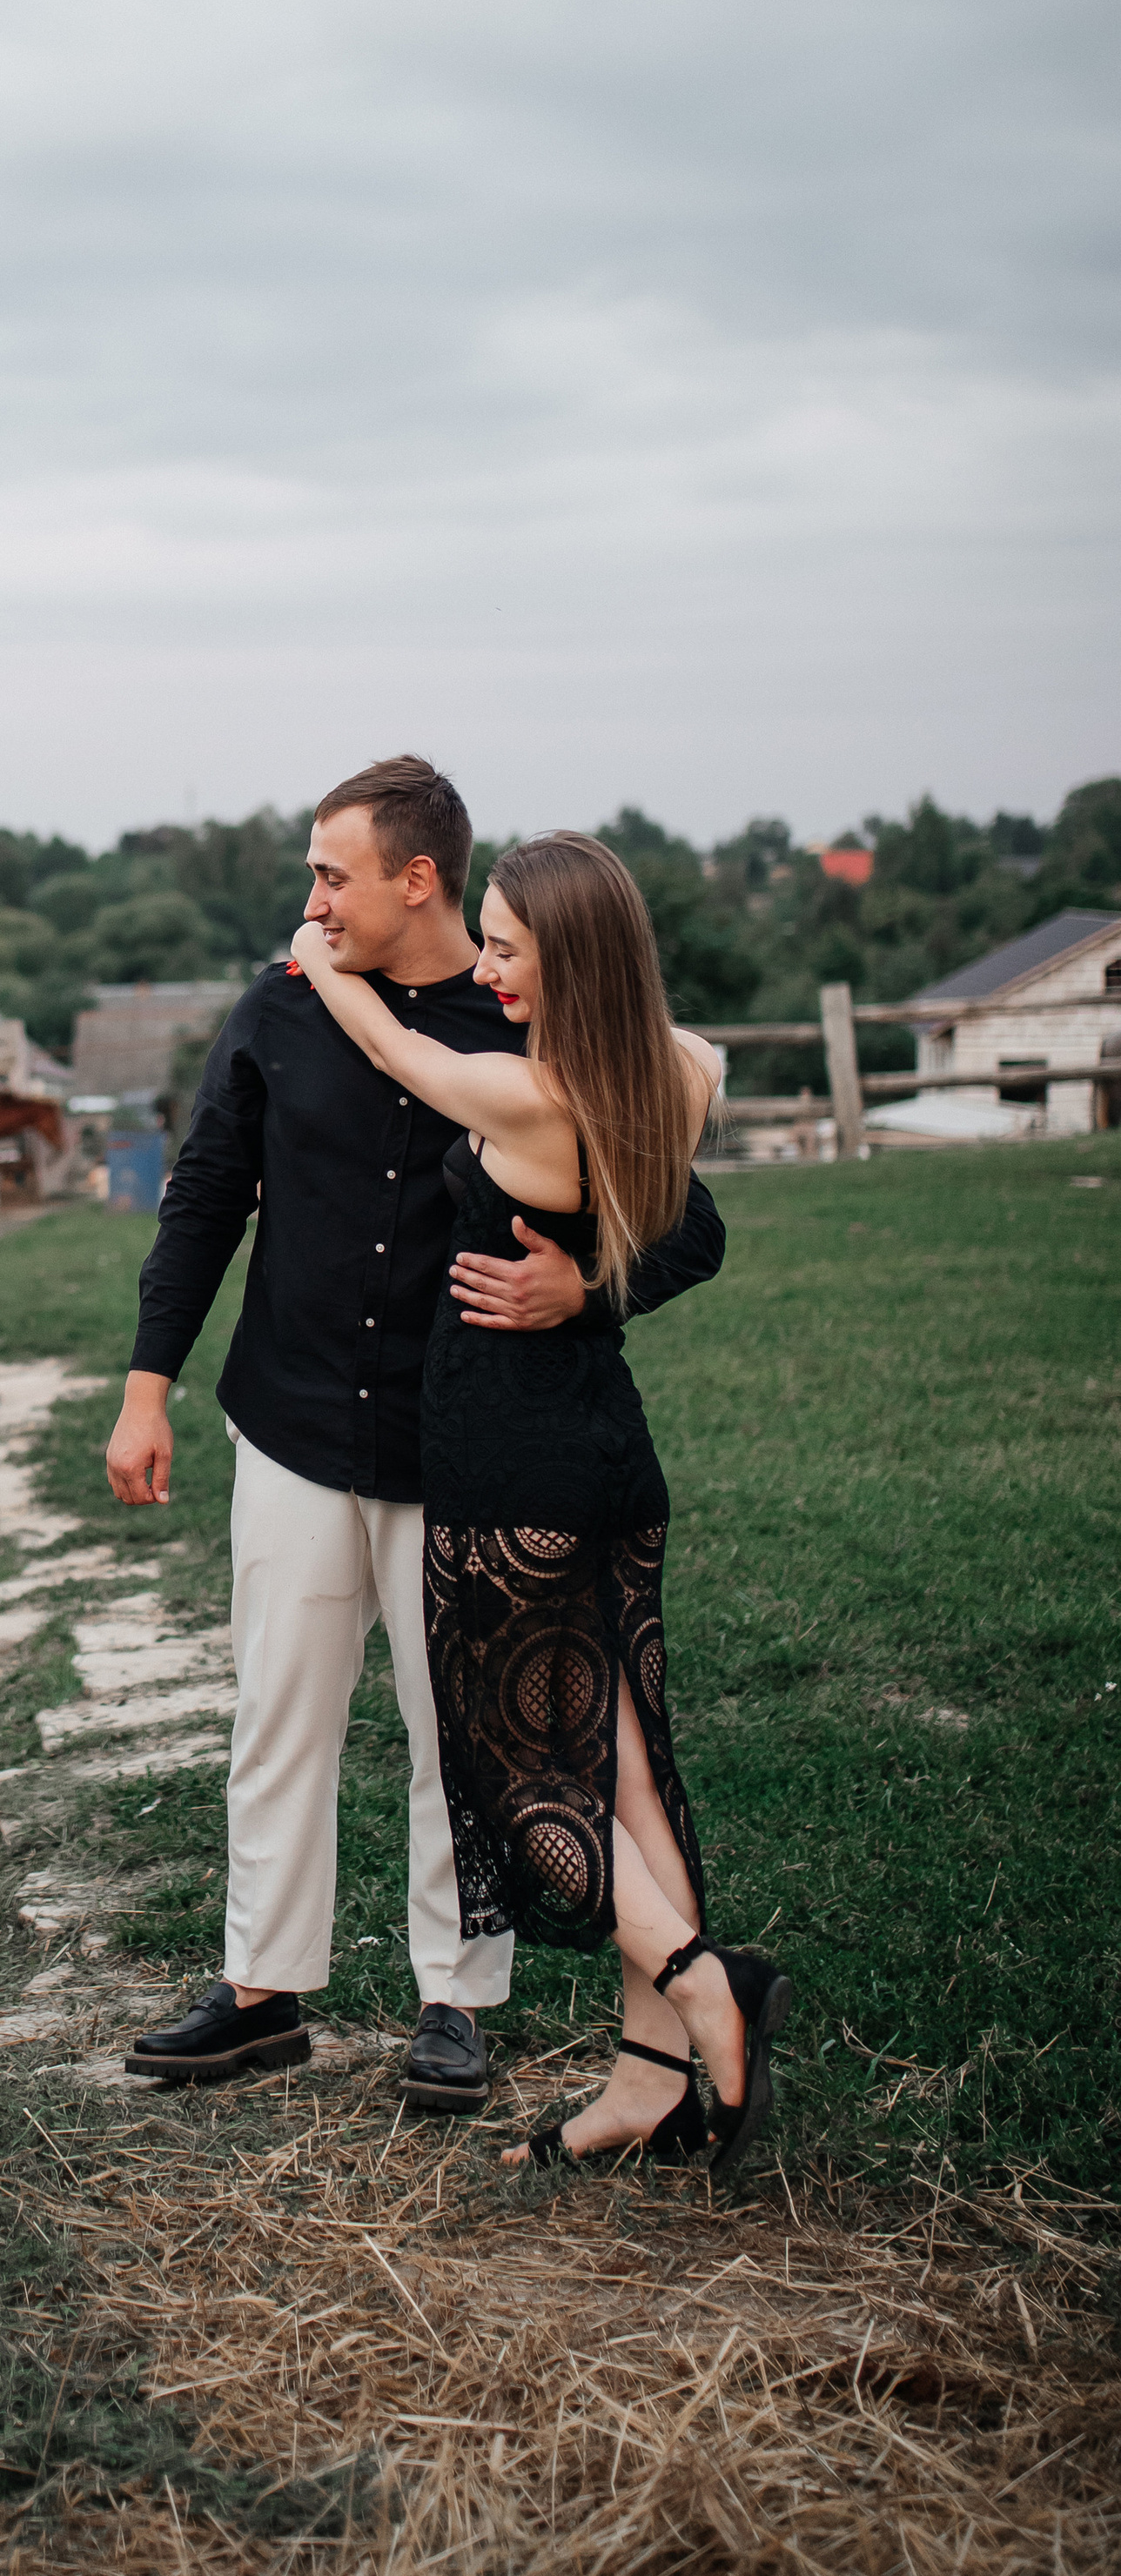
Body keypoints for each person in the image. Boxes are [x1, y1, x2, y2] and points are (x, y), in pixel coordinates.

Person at [107, 757, 725, 2113]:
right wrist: (148, 1384)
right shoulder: (277, 1010)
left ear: (418, 878)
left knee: (457, 1729)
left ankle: (458, 2004)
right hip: (290, 1414)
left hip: (463, 1440)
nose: (312, 901)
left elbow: (690, 1223)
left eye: (333, 874)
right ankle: (263, 1991)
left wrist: (586, 1287)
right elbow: (208, 1191)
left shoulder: (532, 1012)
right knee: (280, 1710)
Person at [287, 830, 789, 2180]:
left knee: (519, 1781)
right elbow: (679, 1112)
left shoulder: (521, 1094)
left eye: (511, 947)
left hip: (512, 1467)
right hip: (609, 1454)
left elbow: (401, 1055)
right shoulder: (681, 1071)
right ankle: (647, 2081)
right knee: (625, 1767)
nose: (492, 966)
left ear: (574, 961)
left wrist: (318, 962)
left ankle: (700, 1985)